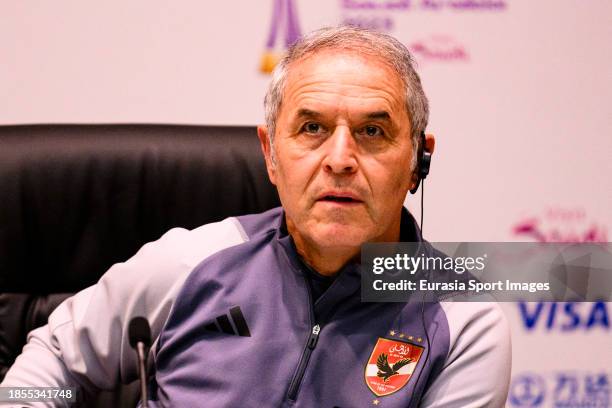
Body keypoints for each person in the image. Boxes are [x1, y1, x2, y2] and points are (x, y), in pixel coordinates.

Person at [1, 26, 511, 407]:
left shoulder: (463, 323)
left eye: (373, 132)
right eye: (311, 127)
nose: (339, 159)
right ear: (270, 153)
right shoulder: (190, 262)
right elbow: (57, 356)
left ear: (418, 162)